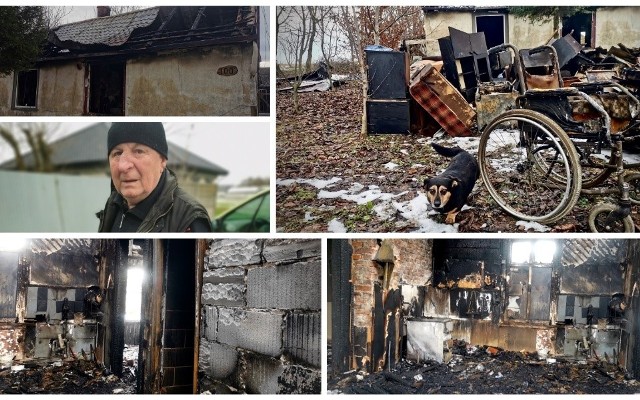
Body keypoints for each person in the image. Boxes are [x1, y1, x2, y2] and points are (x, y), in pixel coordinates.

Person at [97, 122, 212, 232]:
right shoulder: (113, 204)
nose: (123, 165)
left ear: (162, 160)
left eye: (138, 151)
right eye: (117, 153)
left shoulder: (189, 219)